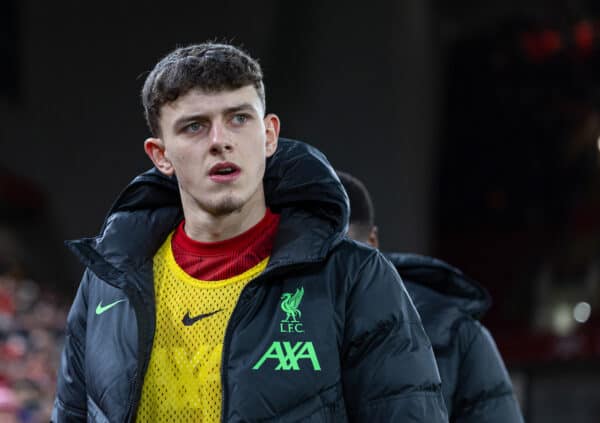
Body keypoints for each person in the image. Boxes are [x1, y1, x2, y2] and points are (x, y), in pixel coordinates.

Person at [51, 43, 448, 422]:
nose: (220, 141)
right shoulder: (106, 286)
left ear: (269, 135)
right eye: (194, 126)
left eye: (239, 118)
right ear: (160, 155)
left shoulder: (354, 278)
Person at [337, 170, 525, 423]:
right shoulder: (280, 329)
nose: (329, 273)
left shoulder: (457, 335)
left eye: (340, 255)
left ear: (372, 242)